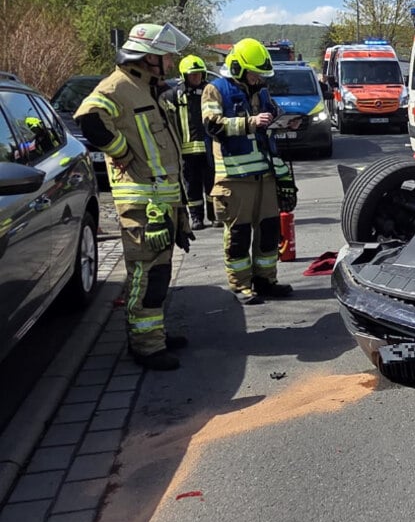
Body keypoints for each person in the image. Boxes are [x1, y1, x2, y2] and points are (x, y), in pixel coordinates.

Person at [75, 22, 194, 371]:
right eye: (166, 57)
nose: (171, 64)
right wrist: (121, 151)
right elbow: (89, 119)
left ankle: (154, 334)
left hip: (161, 201)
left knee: (159, 274)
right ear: (147, 58)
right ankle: (145, 346)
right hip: (142, 205)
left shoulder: (147, 89)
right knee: (146, 274)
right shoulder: (118, 87)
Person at [201, 38, 297, 306]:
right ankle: (241, 285)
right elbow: (212, 125)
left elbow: (270, 118)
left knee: (268, 232)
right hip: (234, 177)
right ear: (237, 68)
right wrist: (249, 123)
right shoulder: (215, 90)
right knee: (239, 236)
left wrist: (285, 121)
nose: (258, 79)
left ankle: (266, 280)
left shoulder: (261, 92)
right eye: (255, 74)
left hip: (264, 176)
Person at [160, 55, 219, 230]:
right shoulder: (173, 95)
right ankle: (196, 218)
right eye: (192, 75)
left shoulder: (210, 92)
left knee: (212, 184)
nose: (196, 77)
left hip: (208, 149)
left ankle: (215, 216)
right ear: (185, 76)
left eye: (199, 74)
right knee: (191, 187)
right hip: (186, 151)